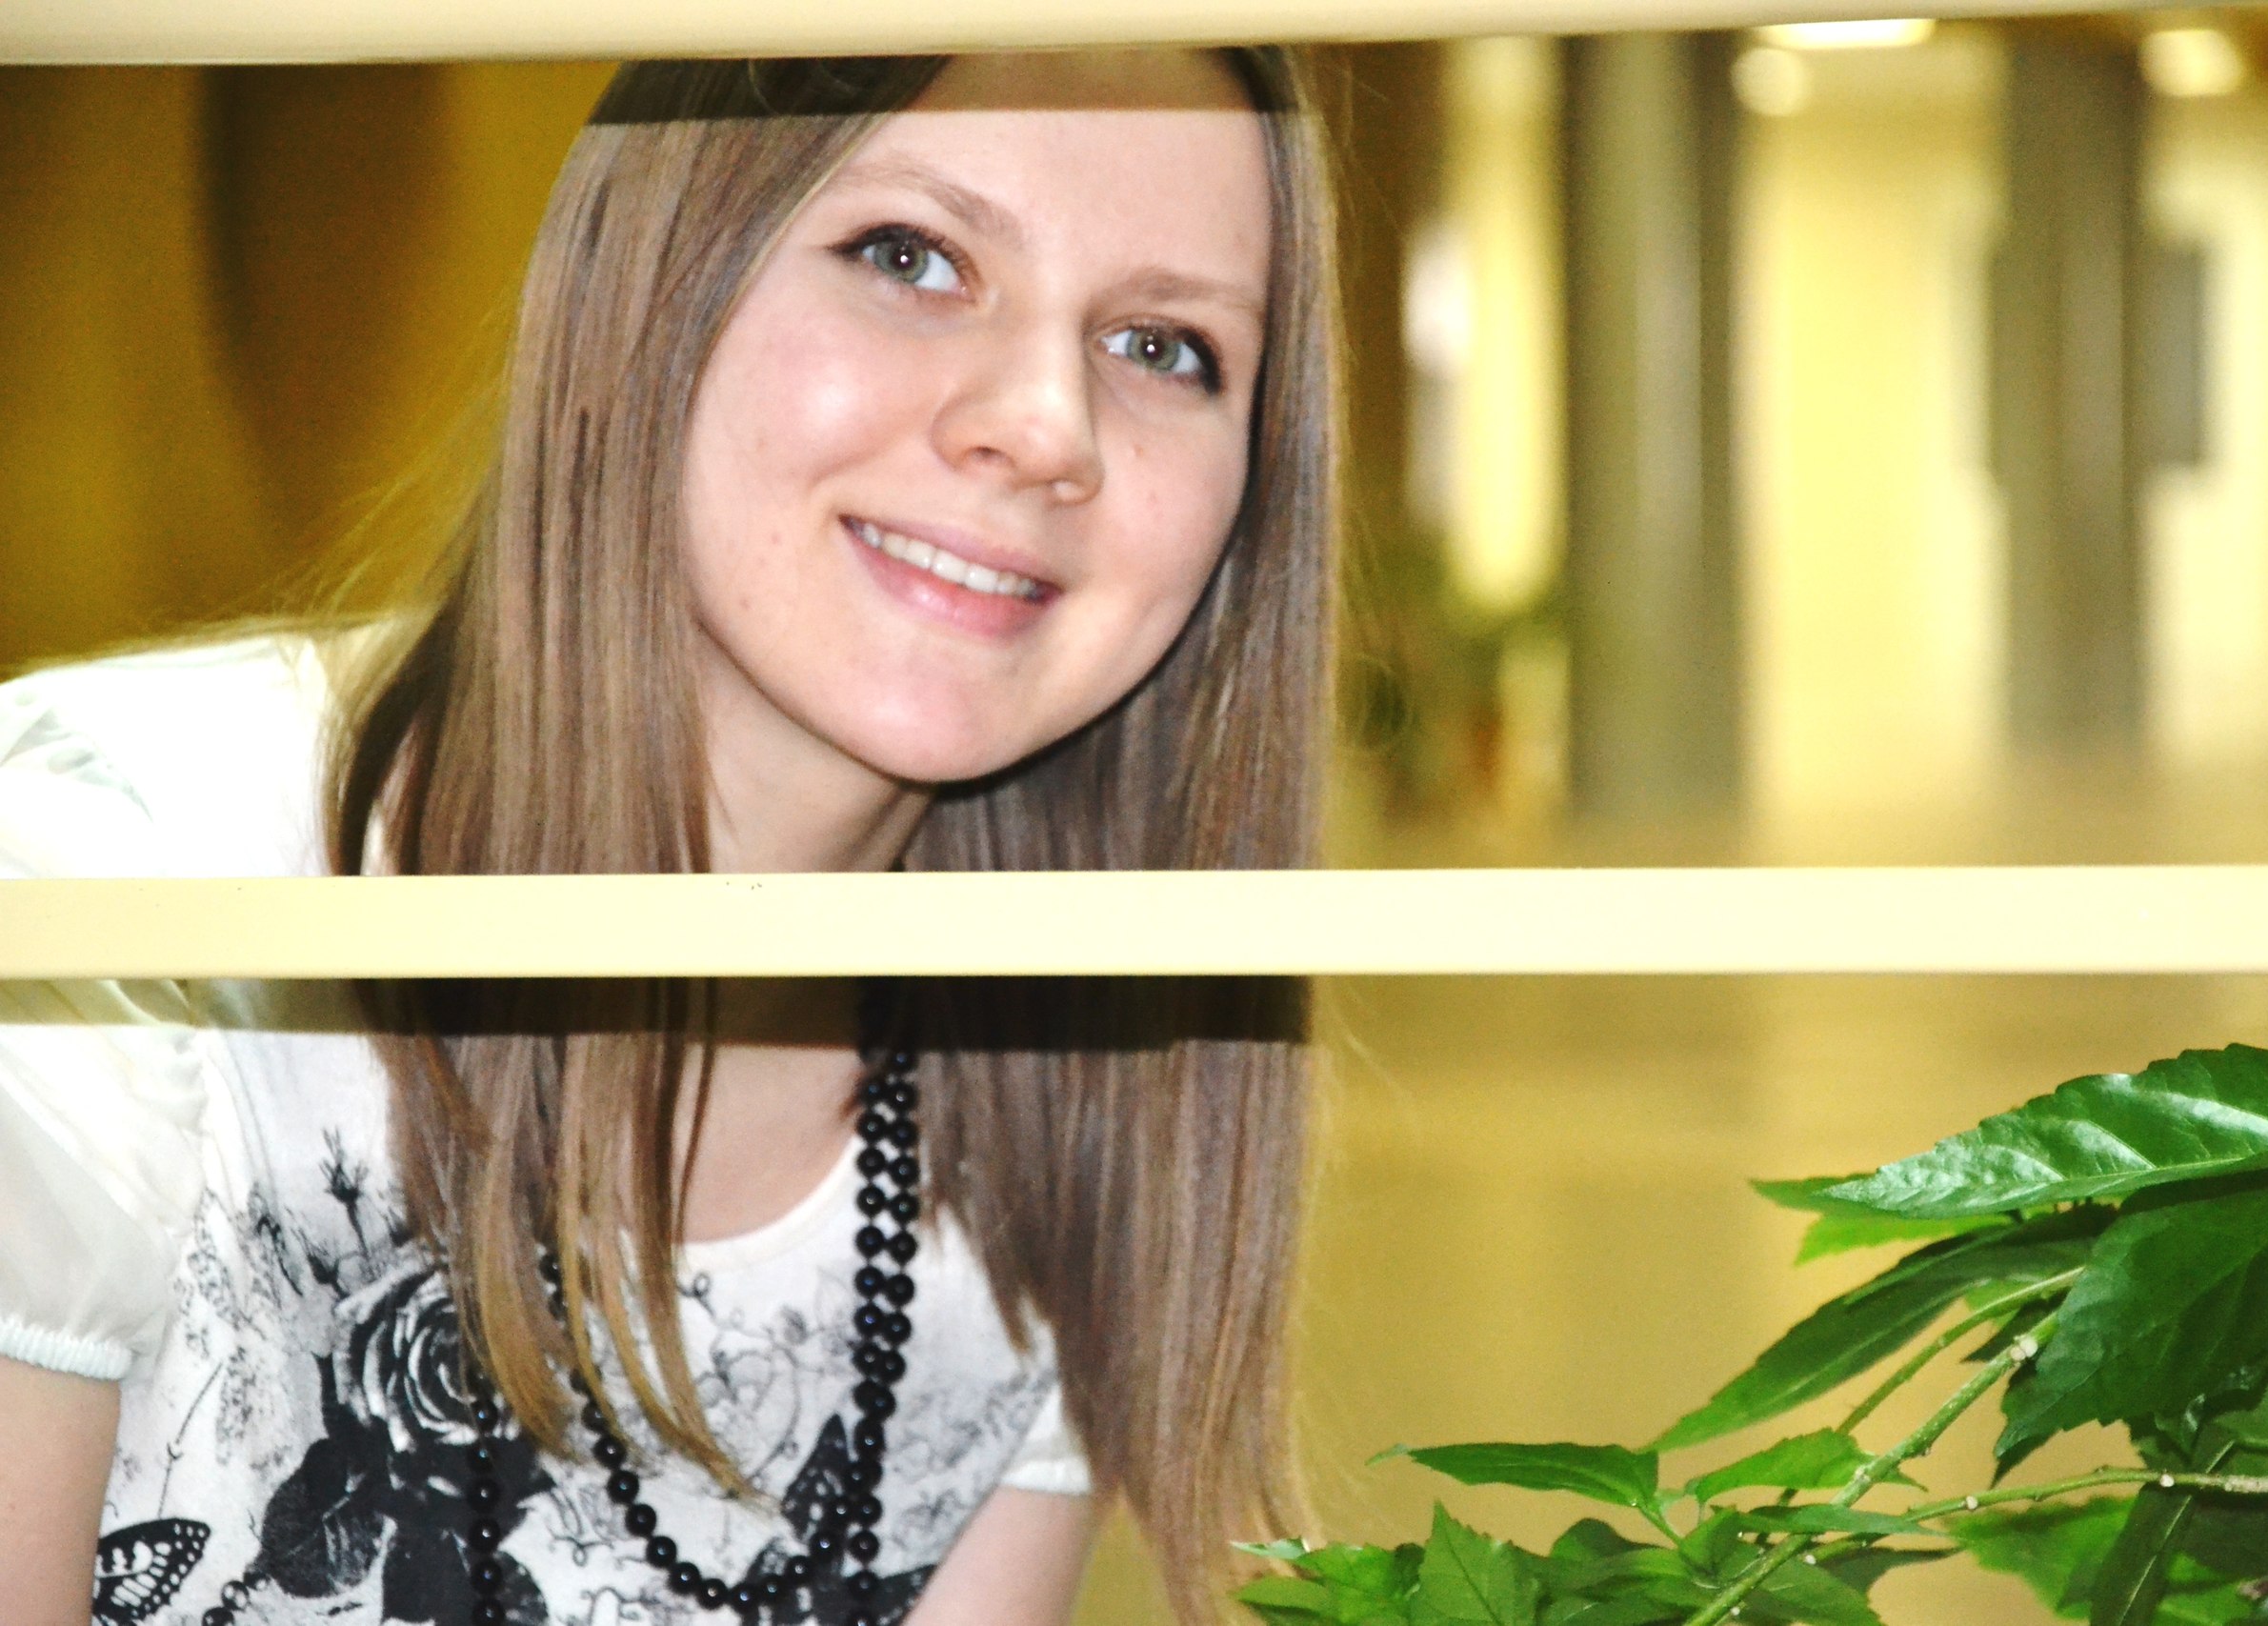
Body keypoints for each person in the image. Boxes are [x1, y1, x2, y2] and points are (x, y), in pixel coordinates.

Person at [0, 45, 1337, 1626]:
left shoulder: (1073, 1109)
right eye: (911, 257)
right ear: (650, 274)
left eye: (1164, 346)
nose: (1047, 428)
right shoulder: (107, 895)